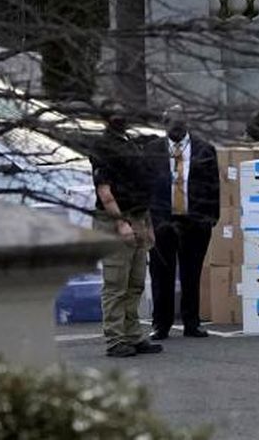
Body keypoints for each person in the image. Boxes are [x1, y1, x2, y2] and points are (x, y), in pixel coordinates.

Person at [90, 109, 163, 359]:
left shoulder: (129, 142)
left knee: (135, 283)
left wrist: (147, 224)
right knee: (116, 284)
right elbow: (105, 192)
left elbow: (141, 188)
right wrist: (121, 223)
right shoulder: (103, 146)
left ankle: (133, 334)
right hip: (114, 221)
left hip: (138, 216)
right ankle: (115, 339)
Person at [148, 105, 220, 339]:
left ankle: (192, 322)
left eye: (180, 123)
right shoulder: (152, 150)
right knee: (162, 273)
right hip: (163, 220)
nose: (177, 128)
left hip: (194, 219)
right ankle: (161, 324)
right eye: (172, 123)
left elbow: (213, 185)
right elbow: (145, 186)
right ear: (164, 124)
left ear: (187, 123)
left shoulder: (204, 149)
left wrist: (211, 217)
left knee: (191, 272)